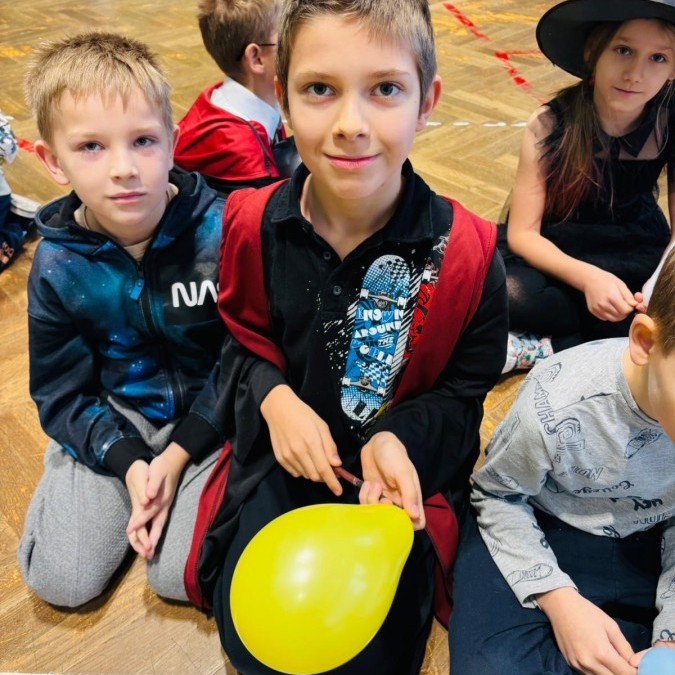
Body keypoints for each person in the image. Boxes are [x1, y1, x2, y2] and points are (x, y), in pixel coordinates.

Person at [183, 0, 508, 672]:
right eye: (319, 89)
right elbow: (239, 341)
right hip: (283, 463)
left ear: (426, 103)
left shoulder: (470, 255)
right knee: (255, 642)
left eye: (384, 89)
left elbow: (460, 395)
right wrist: (274, 398)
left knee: (372, 656)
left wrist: (397, 438)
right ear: (281, 98)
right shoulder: (248, 224)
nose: (350, 124)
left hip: (393, 486)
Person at [17, 32, 228, 608]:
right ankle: (82, 470)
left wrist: (182, 451)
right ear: (52, 161)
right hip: (118, 419)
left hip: (215, 419)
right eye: (91, 146)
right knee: (64, 581)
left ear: (173, 142)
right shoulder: (57, 266)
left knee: (179, 577)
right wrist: (127, 461)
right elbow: (60, 394)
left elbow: (246, 357)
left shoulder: (223, 230)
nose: (123, 168)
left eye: (143, 141)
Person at [449, 244, 675, 675]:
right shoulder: (557, 403)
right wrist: (559, 599)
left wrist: (669, 638)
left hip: (651, 541)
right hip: (542, 521)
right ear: (645, 342)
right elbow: (496, 496)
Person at [500, 0, 675, 374]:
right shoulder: (550, 123)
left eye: (658, 58)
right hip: (559, 241)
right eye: (623, 50)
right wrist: (589, 279)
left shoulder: (669, 121)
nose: (635, 74)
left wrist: (655, 283)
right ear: (593, 51)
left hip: (634, 243)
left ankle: (546, 347)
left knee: (649, 305)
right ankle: (597, 338)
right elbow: (522, 234)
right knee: (511, 292)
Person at [173, 0, 299, 196]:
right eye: (287, 36)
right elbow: (267, 209)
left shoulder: (219, 94)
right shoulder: (243, 150)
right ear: (256, 58)